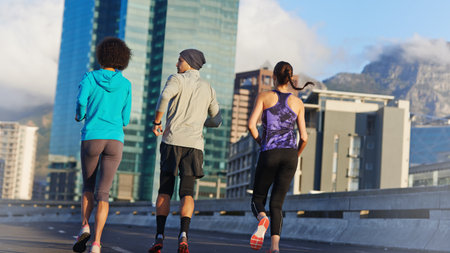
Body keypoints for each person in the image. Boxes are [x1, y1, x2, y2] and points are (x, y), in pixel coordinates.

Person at [148, 49, 222, 253]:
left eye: (179, 60)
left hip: (172, 141)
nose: (176, 64)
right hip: (194, 146)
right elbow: (217, 120)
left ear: (189, 62)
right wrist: (199, 122)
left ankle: (160, 236)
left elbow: (164, 97)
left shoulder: (177, 79)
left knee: (165, 190)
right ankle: (184, 235)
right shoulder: (208, 88)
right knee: (187, 192)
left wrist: (157, 121)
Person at [72, 37, 132, 253]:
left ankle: (84, 226)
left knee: (88, 186)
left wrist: (81, 115)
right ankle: (97, 243)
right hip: (115, 140)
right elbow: (126, 119)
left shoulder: (89, 78)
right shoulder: (125, 84)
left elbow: (80, 102)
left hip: (92, 137)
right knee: (103, 193)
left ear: (101, 56)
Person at [247, 61, 312, 252]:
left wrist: (262, 143)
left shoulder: (264, 96)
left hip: (270, 152)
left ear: (274, 77)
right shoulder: (298, 103)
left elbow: (251, 125)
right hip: (290, 155)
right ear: (290, 79)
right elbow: (305, 137)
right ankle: (275, 248)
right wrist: (295, 155)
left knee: (257, 199)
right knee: (277, 203)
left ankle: (262, 219)